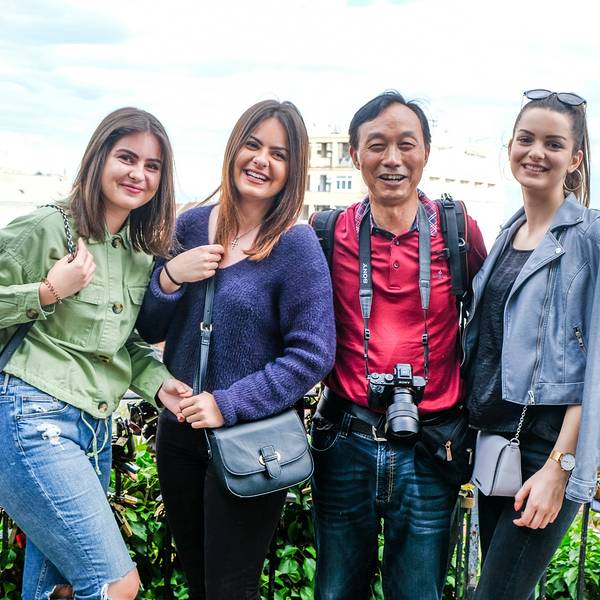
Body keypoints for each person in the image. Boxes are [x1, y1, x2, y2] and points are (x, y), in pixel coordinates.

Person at [136, 99, 336, 600]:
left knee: (230, 588)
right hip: (178, 433)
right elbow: (146, 325)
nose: (261, 160)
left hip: (250, 439)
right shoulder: (187, 227)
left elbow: (313, 353)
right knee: (199, 581)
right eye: (252, 145)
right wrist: (170, 276)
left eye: (279, 154)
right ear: (233, 149)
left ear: (293, 168)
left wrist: (228, 404)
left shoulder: (295, 245)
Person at [0, 107, 192, 600]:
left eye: (152, 166)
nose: (138, 173)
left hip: (93, 432)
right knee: (115, 585)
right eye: (127, 157)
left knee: (59, 589)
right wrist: (47, 292)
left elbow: (122, 341)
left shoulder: (139, 252)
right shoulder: (47, 227)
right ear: (99, 157)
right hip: (33, 419)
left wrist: (159, 384)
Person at [310, 90, 487, 600]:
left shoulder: (458, 230)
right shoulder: (327, 232)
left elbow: (496, 317)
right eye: (377, 145)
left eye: (406, 144)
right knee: (336, 590)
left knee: (419, 592)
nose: (393, 159)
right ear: (354, 154)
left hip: (431, 442)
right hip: (346, 436)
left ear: (426, 151)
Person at [463, 89, 599, 600]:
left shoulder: (589, 238)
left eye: (553, 143)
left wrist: (559, 469)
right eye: (526, 139)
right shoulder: (507, 235)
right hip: (499, 444)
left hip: (545, 448)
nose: (536, 152)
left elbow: (596, 367)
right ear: (510, 147)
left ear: (575, 158)